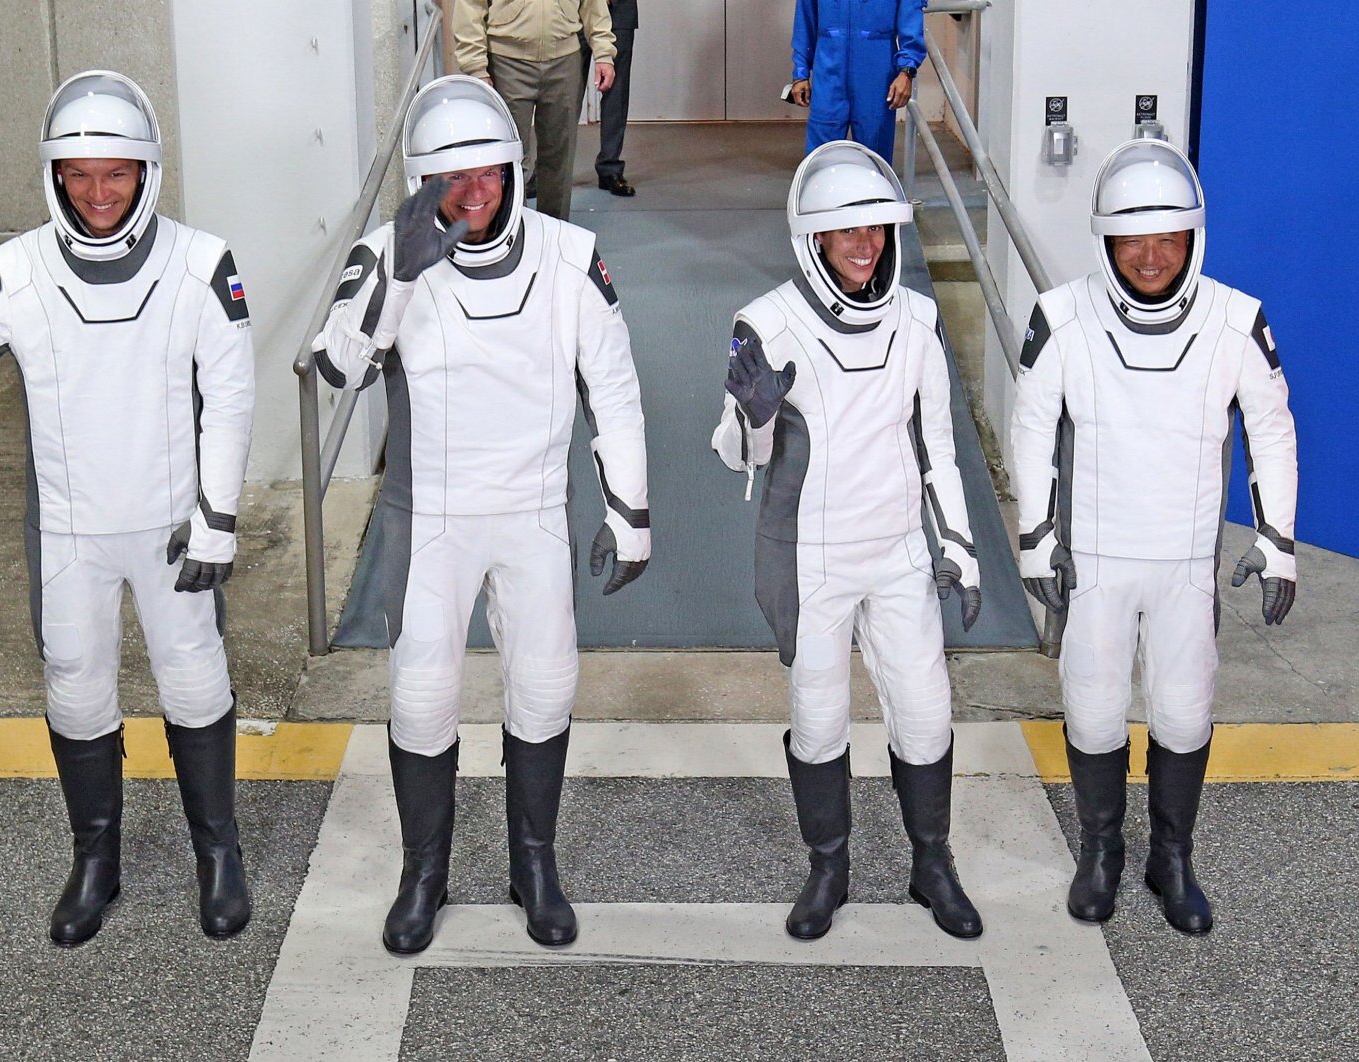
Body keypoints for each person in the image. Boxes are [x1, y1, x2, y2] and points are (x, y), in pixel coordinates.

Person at [0, 70, 256, 946]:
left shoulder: (204, 262)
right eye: (78, 174)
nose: (97, 193)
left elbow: (232, 397)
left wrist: (218, 518)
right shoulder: (17, 269)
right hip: (69, 531)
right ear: (54, 174)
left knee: (195, 680)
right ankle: (96, 860)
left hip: (174, 528)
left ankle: (220, 854)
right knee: (77, 692)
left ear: (146, 171)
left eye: (115, 172)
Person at [313, 75, 649, 955]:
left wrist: (631, 507)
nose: (472, 194)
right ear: (423, 181)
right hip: (431, 521)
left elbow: (614, 386)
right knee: (421, 700)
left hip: (533, 510)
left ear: (512, 166)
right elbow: (335, 371)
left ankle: (532, 864)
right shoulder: (388, 253)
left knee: (544, 691)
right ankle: (425, 872)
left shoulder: (572, 256)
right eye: (451, 181)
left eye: (489, 175)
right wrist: (395, 285)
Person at [1010, 139, 1297, 935]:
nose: (1149, 255)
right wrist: (1036, 538)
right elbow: (1032, 429)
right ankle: (1099, 851)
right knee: (1095, 713)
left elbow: (1272, 429)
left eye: (1167, 236)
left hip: (1183, 563)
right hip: (1095, 561)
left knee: (1182, 714)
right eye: (1133, 237)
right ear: (1104, 239)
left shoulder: (1236, 319)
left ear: (1194, 236)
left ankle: (1172, 856)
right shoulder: (1061, 315)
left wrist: (1278, 539)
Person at [712, 141, 983, 942]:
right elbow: (732, 455)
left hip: (899, 551)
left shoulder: (919, 319)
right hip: (813, 557)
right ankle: (828, 868)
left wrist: (960, 548)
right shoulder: (764, 323)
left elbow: (938, 446)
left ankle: (932, 863)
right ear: (815, 239)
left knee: (926, 715)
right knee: (821, 719)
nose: (865, 246)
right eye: (847, 232)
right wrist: (753, 415)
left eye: (876, 230)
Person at [454, 0, 617, 220]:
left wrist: (604, 53)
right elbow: (470, 5)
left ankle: (554, 231)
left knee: (560, 156)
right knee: (508, 157)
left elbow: (593, 5)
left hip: (565, 59)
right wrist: (476, 67)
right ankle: (511, 234)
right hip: (506, 60)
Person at [789, 0, 927, 161]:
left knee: (875, 156)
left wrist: (907, 72)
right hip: (828, 73)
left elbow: (911, 19)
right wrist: (800, 73)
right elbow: (804, 20)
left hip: (876, 75)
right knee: (820, 156)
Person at [578, 0, 639, 196]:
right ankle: (549, 169)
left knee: (616, 93)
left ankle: (610, 168)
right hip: (573, 11)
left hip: (618, 10)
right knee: (564, 94)